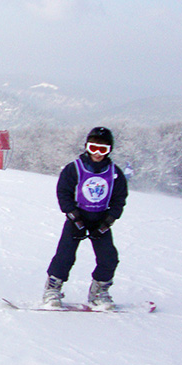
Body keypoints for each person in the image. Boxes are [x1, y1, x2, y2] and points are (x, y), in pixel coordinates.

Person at [43, 127, 128, 310]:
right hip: (77, 218)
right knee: (65, 254)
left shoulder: (114, 173)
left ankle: (99, 292)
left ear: (109, 150)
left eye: (103, 149)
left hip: (100, 220)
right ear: (86, 147)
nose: (97, 153)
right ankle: (53, 288)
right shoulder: (74, 168)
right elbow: (63, 192)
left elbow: (119, 199)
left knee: (109, 257)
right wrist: (73, 215)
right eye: (93, 147)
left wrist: (108, 221)